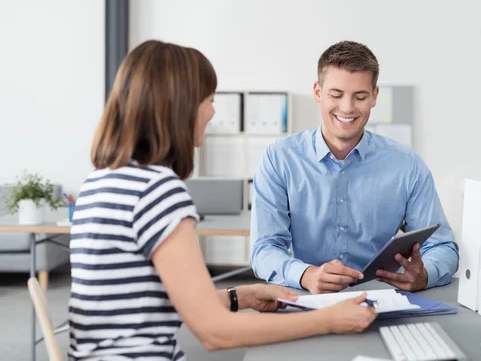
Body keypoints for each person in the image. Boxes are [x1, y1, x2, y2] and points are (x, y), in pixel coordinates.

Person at [68, 40, 377, 360]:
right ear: (180, 107)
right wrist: (327, 320)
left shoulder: (102, 179)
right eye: (209, 100)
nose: (213, 112)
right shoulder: (157, 192)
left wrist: (242, 295)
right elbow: (216, 332)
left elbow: (145, 303)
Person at [250, 40, 459, 294]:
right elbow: (264, 249)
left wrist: (425, 275)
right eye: (336, 95)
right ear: (318, 93)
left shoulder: (407, 166)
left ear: (374, 97)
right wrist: (306, 275)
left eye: (359, 96)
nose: (347, 108)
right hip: (309, 300)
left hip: (384, 299)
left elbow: (443, 247)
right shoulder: (279, 160)